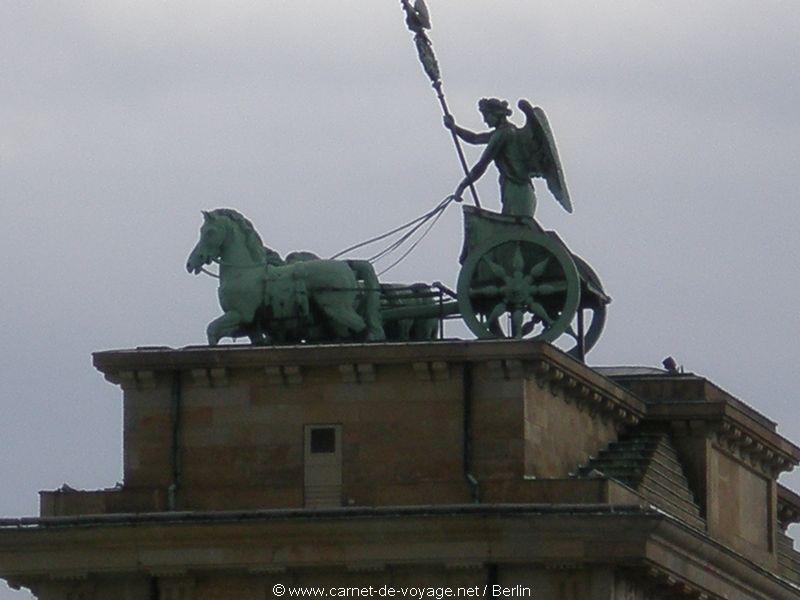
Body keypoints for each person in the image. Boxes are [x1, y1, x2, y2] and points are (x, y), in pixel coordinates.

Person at [446, 98, 564, 218]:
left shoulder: (503, 134)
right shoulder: (504, 132)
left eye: (486, 115)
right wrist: (454, 128)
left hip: (517, 191)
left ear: (496, 114)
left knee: (513, 228)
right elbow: (475, 138)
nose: (485, 120)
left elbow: (482, 164)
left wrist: (462, 186)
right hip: (515, 189)